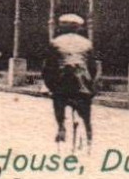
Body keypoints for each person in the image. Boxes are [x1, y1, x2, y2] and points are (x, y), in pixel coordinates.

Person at [42, 13, 100, 148]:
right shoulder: (87, 43)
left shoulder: (55, 43)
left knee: (58, 99)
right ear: (78, 28)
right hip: (83, 86)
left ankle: (61, 126)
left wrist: (49, 86)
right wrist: (91, 86)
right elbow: (93, 68)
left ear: (62, 28)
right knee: (86, 112)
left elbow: (48, 67)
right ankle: (89, 134)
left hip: (62, 85)